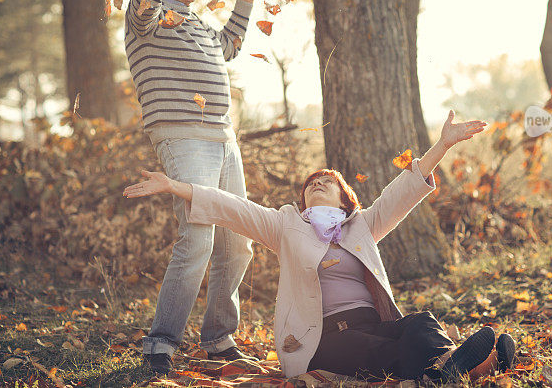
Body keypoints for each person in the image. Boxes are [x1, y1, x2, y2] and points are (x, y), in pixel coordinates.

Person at [123, 111, 516, 381]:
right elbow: (234, 209)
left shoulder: (361, 226)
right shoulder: (285, 226)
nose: (316, 183)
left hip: (373, 323)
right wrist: (177, 185)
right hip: (321, 339)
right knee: (371, 353)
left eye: (326, 181)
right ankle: (467, 366)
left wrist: (443, 145)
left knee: (420, 325)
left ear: (345, 200)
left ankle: (461, 365)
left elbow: (402, 193)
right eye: (310, 183)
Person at [124, 0, 270, 374]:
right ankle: (161, 343)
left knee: (237, 242)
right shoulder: (144, 19)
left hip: (224, 140)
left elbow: (228, 46)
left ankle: (219, 338)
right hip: (183, 138)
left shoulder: (195, 23)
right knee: (198, 238)